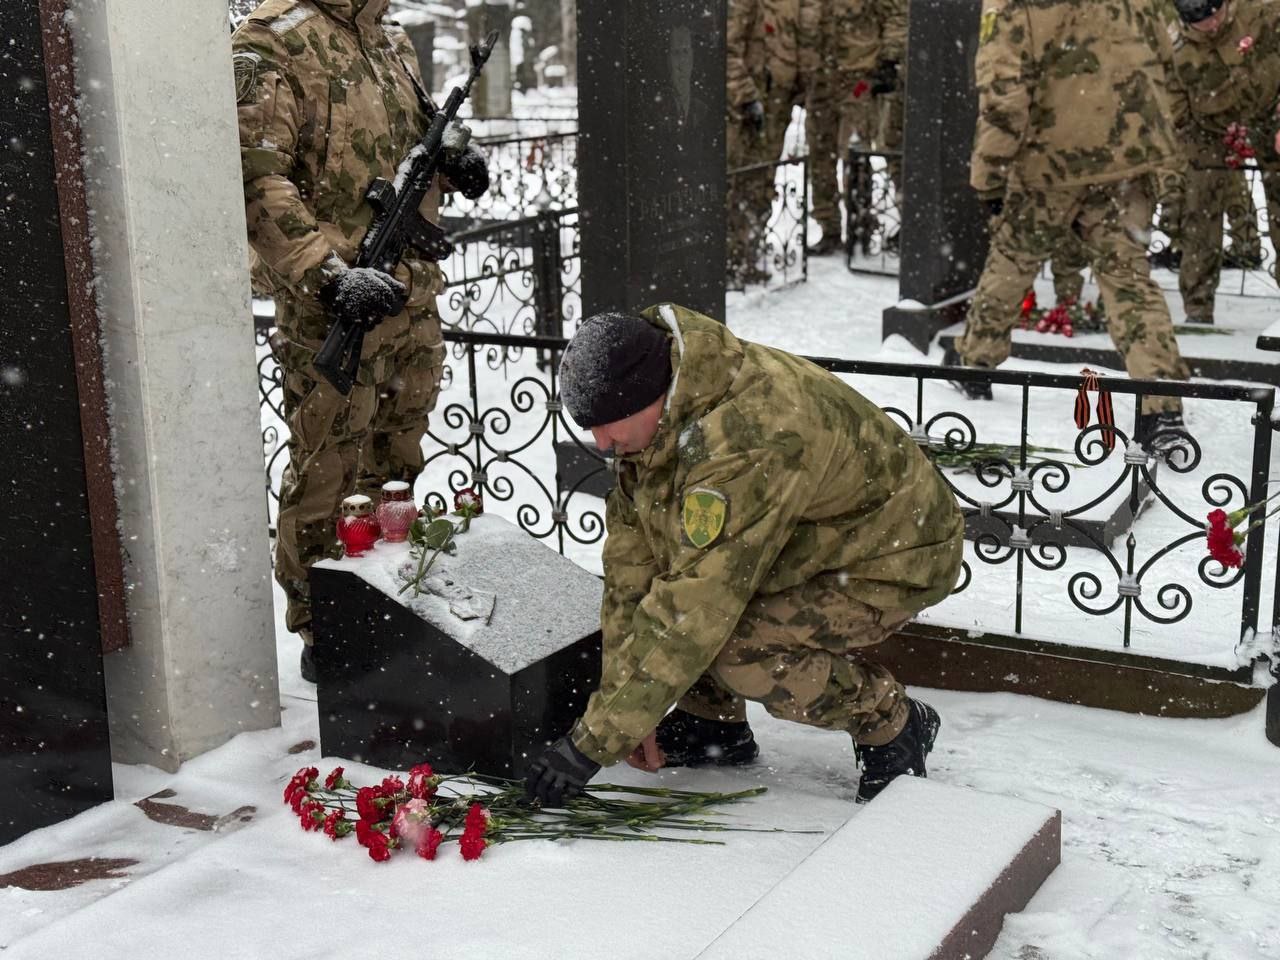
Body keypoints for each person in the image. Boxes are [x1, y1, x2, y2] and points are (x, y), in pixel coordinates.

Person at [524, 304, 964, 807]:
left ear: (648, 394)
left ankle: (891, 723)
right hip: (804, 543)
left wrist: (593, 744)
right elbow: (633, 572)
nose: (602, 442)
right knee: (690, 572)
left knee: (742, 649)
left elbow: (697, 604)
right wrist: (627, 714)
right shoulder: (662, 421)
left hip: (890, 557)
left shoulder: (745, 438)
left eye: (607, 425)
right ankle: (713, 722)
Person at [232, 0, 489, 681]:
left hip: (410, 295)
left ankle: (385, 588)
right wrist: (328, 274)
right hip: (335, 304)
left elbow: (409, 147)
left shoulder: (388, 38)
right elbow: (255, 177)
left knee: (398, 455)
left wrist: (453, 160)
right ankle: (327, 624)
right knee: (328, 468)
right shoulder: (272, 39)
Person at [951, 0, 1193, 454]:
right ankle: (1161, 405)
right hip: (1126, 161)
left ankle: (975, 365)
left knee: (1012, 261)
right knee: (1128, 278)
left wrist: (988, 176)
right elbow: (1169, 63)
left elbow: (1004, 95)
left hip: (1050, 163)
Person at [1164, 0, 1280, 324]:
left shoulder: (1263, 13)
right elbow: (1177, 115)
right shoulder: (1175, 52)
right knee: (1200, 215)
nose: (1212, 23)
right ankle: (1198, 309)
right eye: (1200, 19)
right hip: (1210, 134)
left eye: (1216, 12)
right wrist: (1202, 150)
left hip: (1272, 117)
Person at [726, 0, 820, 284]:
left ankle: (748, 254)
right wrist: (745, 95)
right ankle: (728, 259)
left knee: (763, 181)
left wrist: (802, 84)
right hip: (744, 107)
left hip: (778, 102)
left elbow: (800, 41)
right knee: (736, 182)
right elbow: (727, 48)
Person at [804, 0, 907, 256]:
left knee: (855, 151)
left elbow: (897, 13)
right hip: (820, 74)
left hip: (859, 75)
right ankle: (828, 227)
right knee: (820, 151)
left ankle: (859, 225)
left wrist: (889, 59)